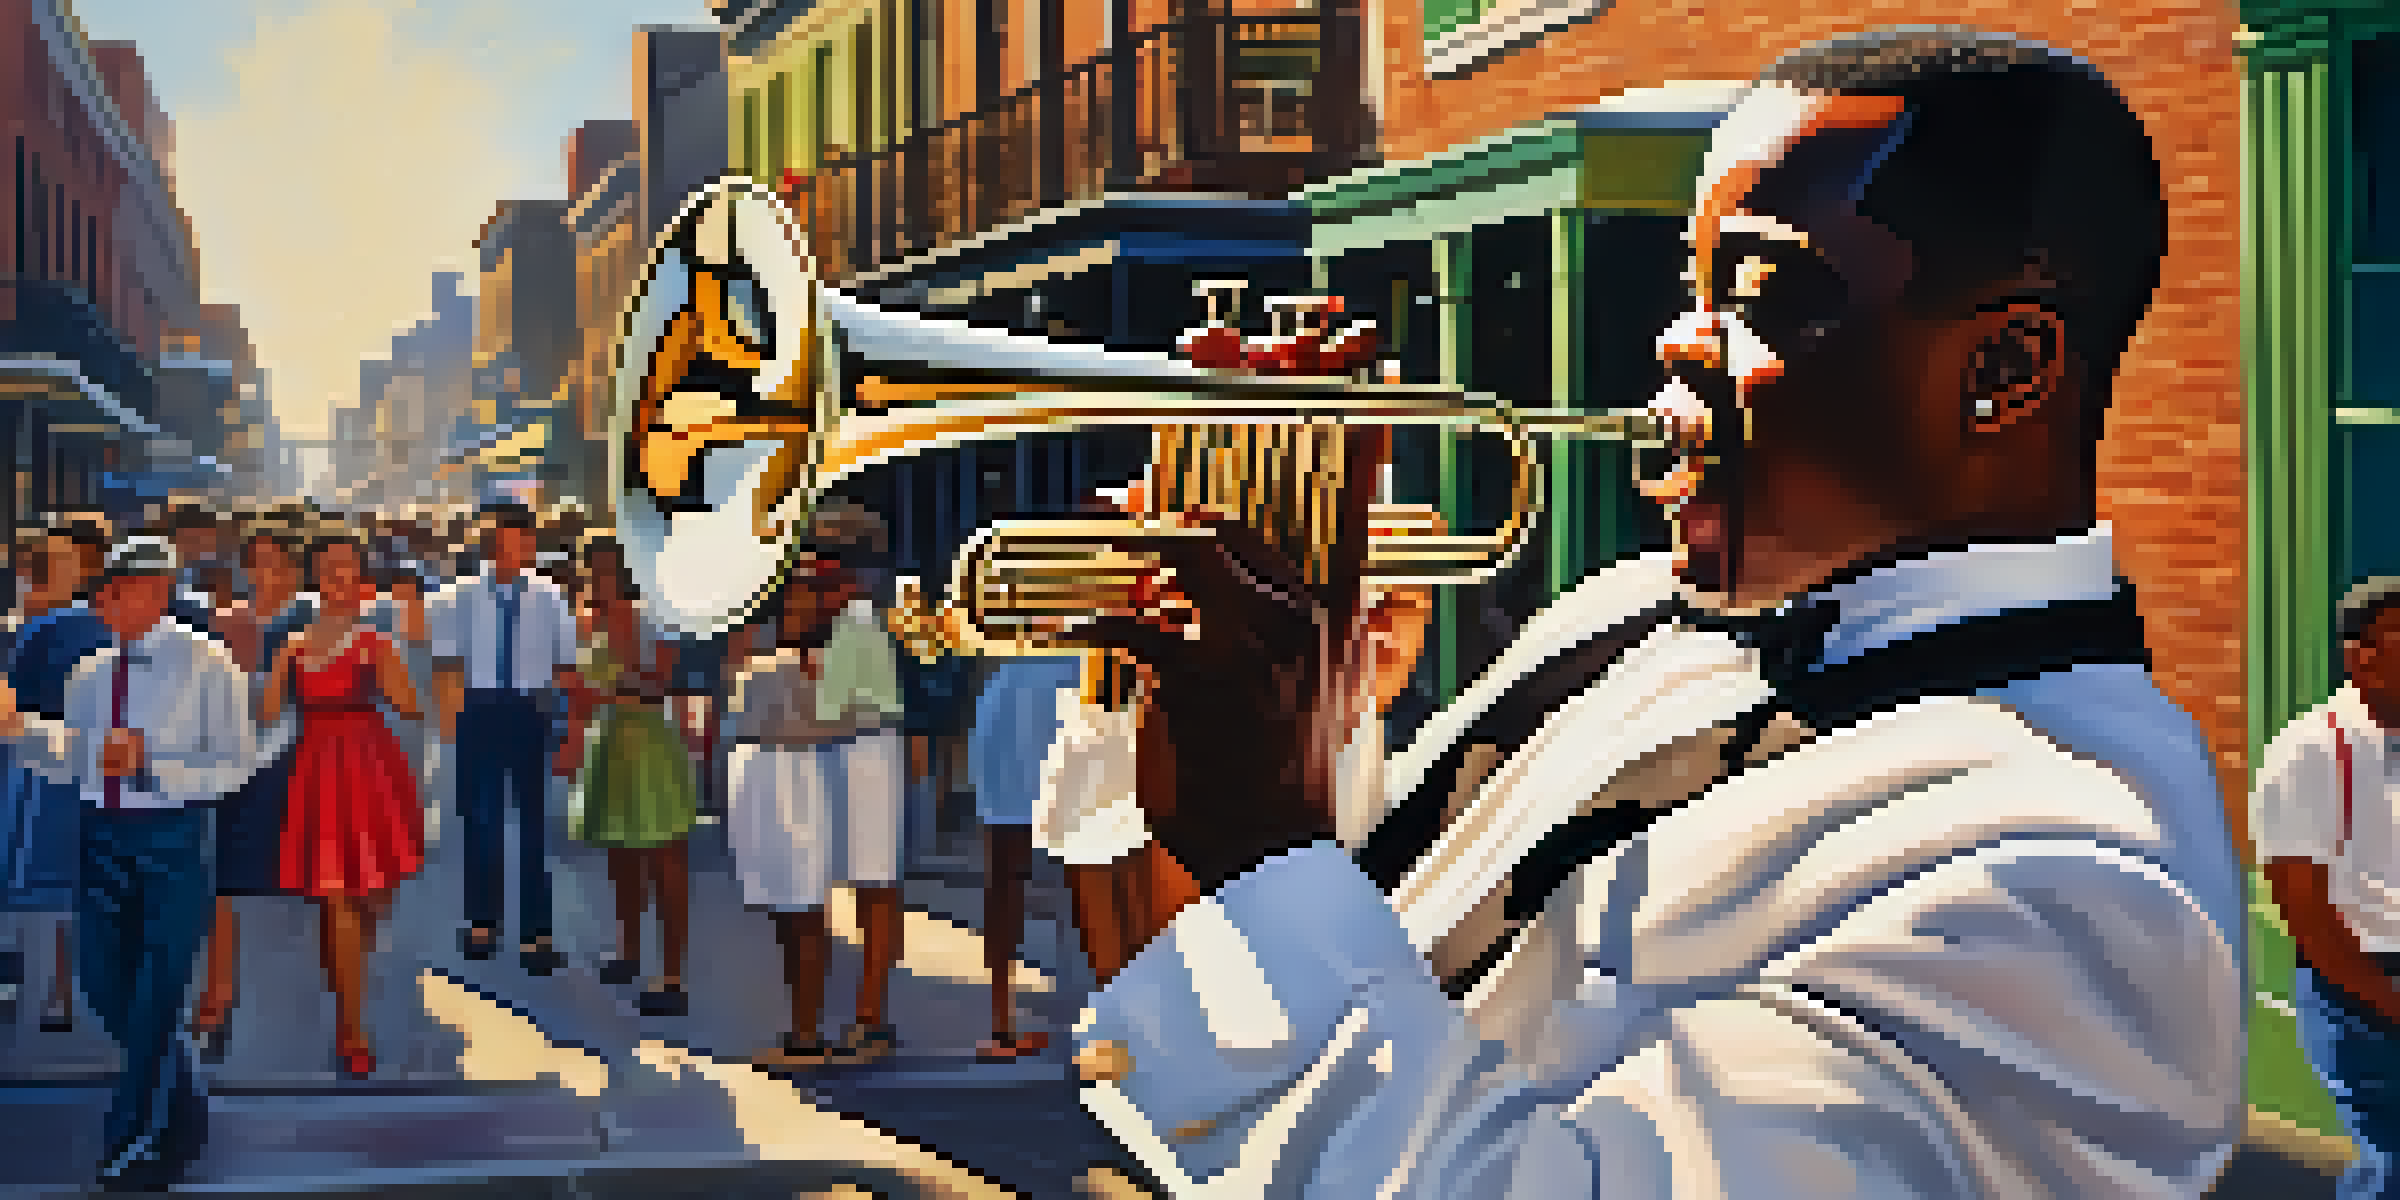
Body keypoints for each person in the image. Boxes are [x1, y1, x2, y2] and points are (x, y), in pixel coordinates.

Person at [1053, 29, 2244, 1196]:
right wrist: (1217, 694)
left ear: (2005, 371)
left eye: (1765, 291)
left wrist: (1270, 843)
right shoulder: (1628, 615)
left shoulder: (2079, 879)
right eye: (1695, 282)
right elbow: (1300, 965)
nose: (1679, 337)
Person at [0, 535, 254, 1190]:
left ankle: (133, 1142)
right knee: (100, 984)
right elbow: (76, 756)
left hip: (172, 838)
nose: (102, 601)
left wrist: (154, 765)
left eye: (116, 589)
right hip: (101, 836)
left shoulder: (208, 663)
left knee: (157, 993)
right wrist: (21, 731)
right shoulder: (89, 671)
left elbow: (235, 763)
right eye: (102, 589)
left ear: (156, 592)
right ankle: (184, 1088)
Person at [732, 557, 909, 1071]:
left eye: (820, 586)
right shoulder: (782, 644)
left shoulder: (864, 630)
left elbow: (871, 705)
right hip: (810, 763)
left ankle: (865, 1018)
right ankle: (816, 1027)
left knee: (869, 887)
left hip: (862, 756)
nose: (810, 596)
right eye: (799, 588)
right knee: (802, 903)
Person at [2255, 577, 2400, 1199]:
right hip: (2360, 995)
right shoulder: (2310, 753)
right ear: (2358, 653)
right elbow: (2306, 913)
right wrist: (2389, 1003)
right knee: (2391, 1163)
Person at [264, 533, 425, 1079]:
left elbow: (408, 704)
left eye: (350, 570)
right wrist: (280, 663)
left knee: (370, 899)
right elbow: (266, 715)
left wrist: (398, 659)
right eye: (332, 570)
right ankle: (350, 1025)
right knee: (335, 897)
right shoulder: (295, 641)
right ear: (317, 578)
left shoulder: (378, 639)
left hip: (370, 766)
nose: (342, 579)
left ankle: (348, 985)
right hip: (318, 765)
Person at [429, 502, 577, 973]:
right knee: (482, 820)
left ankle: (537, 933)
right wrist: (453, 728)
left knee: (535, 825)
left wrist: (568, 729)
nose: (510, 549)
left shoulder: (551, 597)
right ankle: (482, 923)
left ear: (531, 545)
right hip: (481, 709)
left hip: (533, 709)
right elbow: (447, 667)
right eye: (501, 541)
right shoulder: (459, 596)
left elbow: (565, 669)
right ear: (488, 546)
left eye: (520, 540)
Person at [188, 526, 316, 1061]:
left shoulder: (311, 620)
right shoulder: (215, 621)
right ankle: (217, 1000)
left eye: (276, 564)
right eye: (256, 564)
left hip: (292, 759)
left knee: (301, 885)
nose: (266, 575)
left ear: (293, 570)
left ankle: (308, 1012)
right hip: (224, 762)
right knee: (220, 879)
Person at [559, 536, 700, 1017]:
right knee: (620, 853)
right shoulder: (586, 621)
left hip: (650, 740)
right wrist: (577, 727)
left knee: (664, 859)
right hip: (609, 741)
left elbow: (658, 681)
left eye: (605, 570)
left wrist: (603, 685)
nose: (598, 579)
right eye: (591, 569)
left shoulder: (651, 617)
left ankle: (674, 973)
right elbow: (576, 693)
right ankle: (629, 950)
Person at [0, 522, 110, 1035]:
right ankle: (60, 990)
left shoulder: (45, 631)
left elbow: (12, 708)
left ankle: (43, 986)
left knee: (37, 881)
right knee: (66, 885)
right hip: (78, 767)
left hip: (40, 767)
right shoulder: (83, 626)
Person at [965, 650, 1080, 1061]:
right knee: (1092, 884)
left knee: (1003, 886)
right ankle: (1005, 1026)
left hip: (1015, 720)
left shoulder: (1011, 670)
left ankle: (1002, 1026)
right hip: (1054, 718)